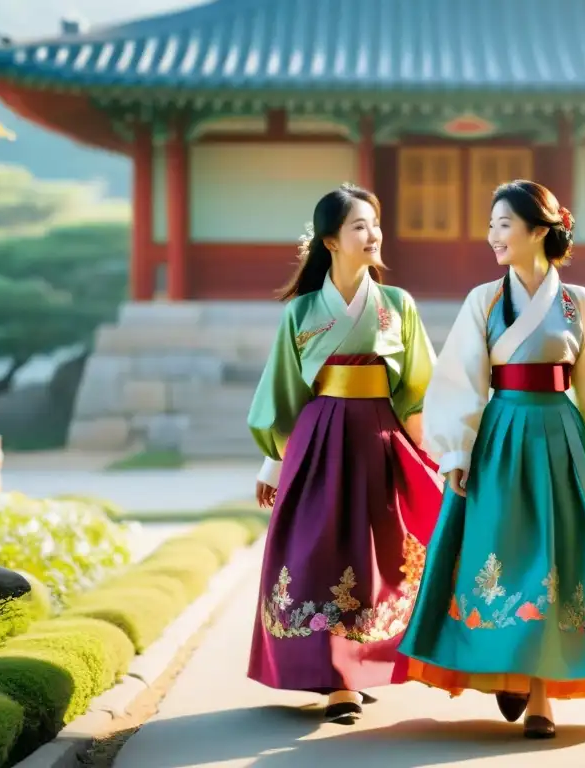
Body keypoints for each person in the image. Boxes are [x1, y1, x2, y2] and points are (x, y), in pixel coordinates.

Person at [398, 180, 585, 739]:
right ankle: (510, 668)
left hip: (561, 438)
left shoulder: (580, 304)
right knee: (503, 552)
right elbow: (460, 377)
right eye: (492, 224)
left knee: (561, 557)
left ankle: (542, 696)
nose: (492, 235)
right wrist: (455, 449)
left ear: (538, 231)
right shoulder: (485, 300)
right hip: (500, 437)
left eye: (504, 224)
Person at [247, 184, 443, 724]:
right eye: (360, 226)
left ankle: (360, 664)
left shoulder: (398, 305)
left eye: (375, 224)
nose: (373, 234)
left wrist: (431, 454)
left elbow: (419, 390)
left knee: (379, 556)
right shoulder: (302, 312)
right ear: (331, 240)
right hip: (319, 440)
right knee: (320, 553)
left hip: (379, 439)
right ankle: (336, 681)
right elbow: (284, 392)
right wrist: (273, 462)